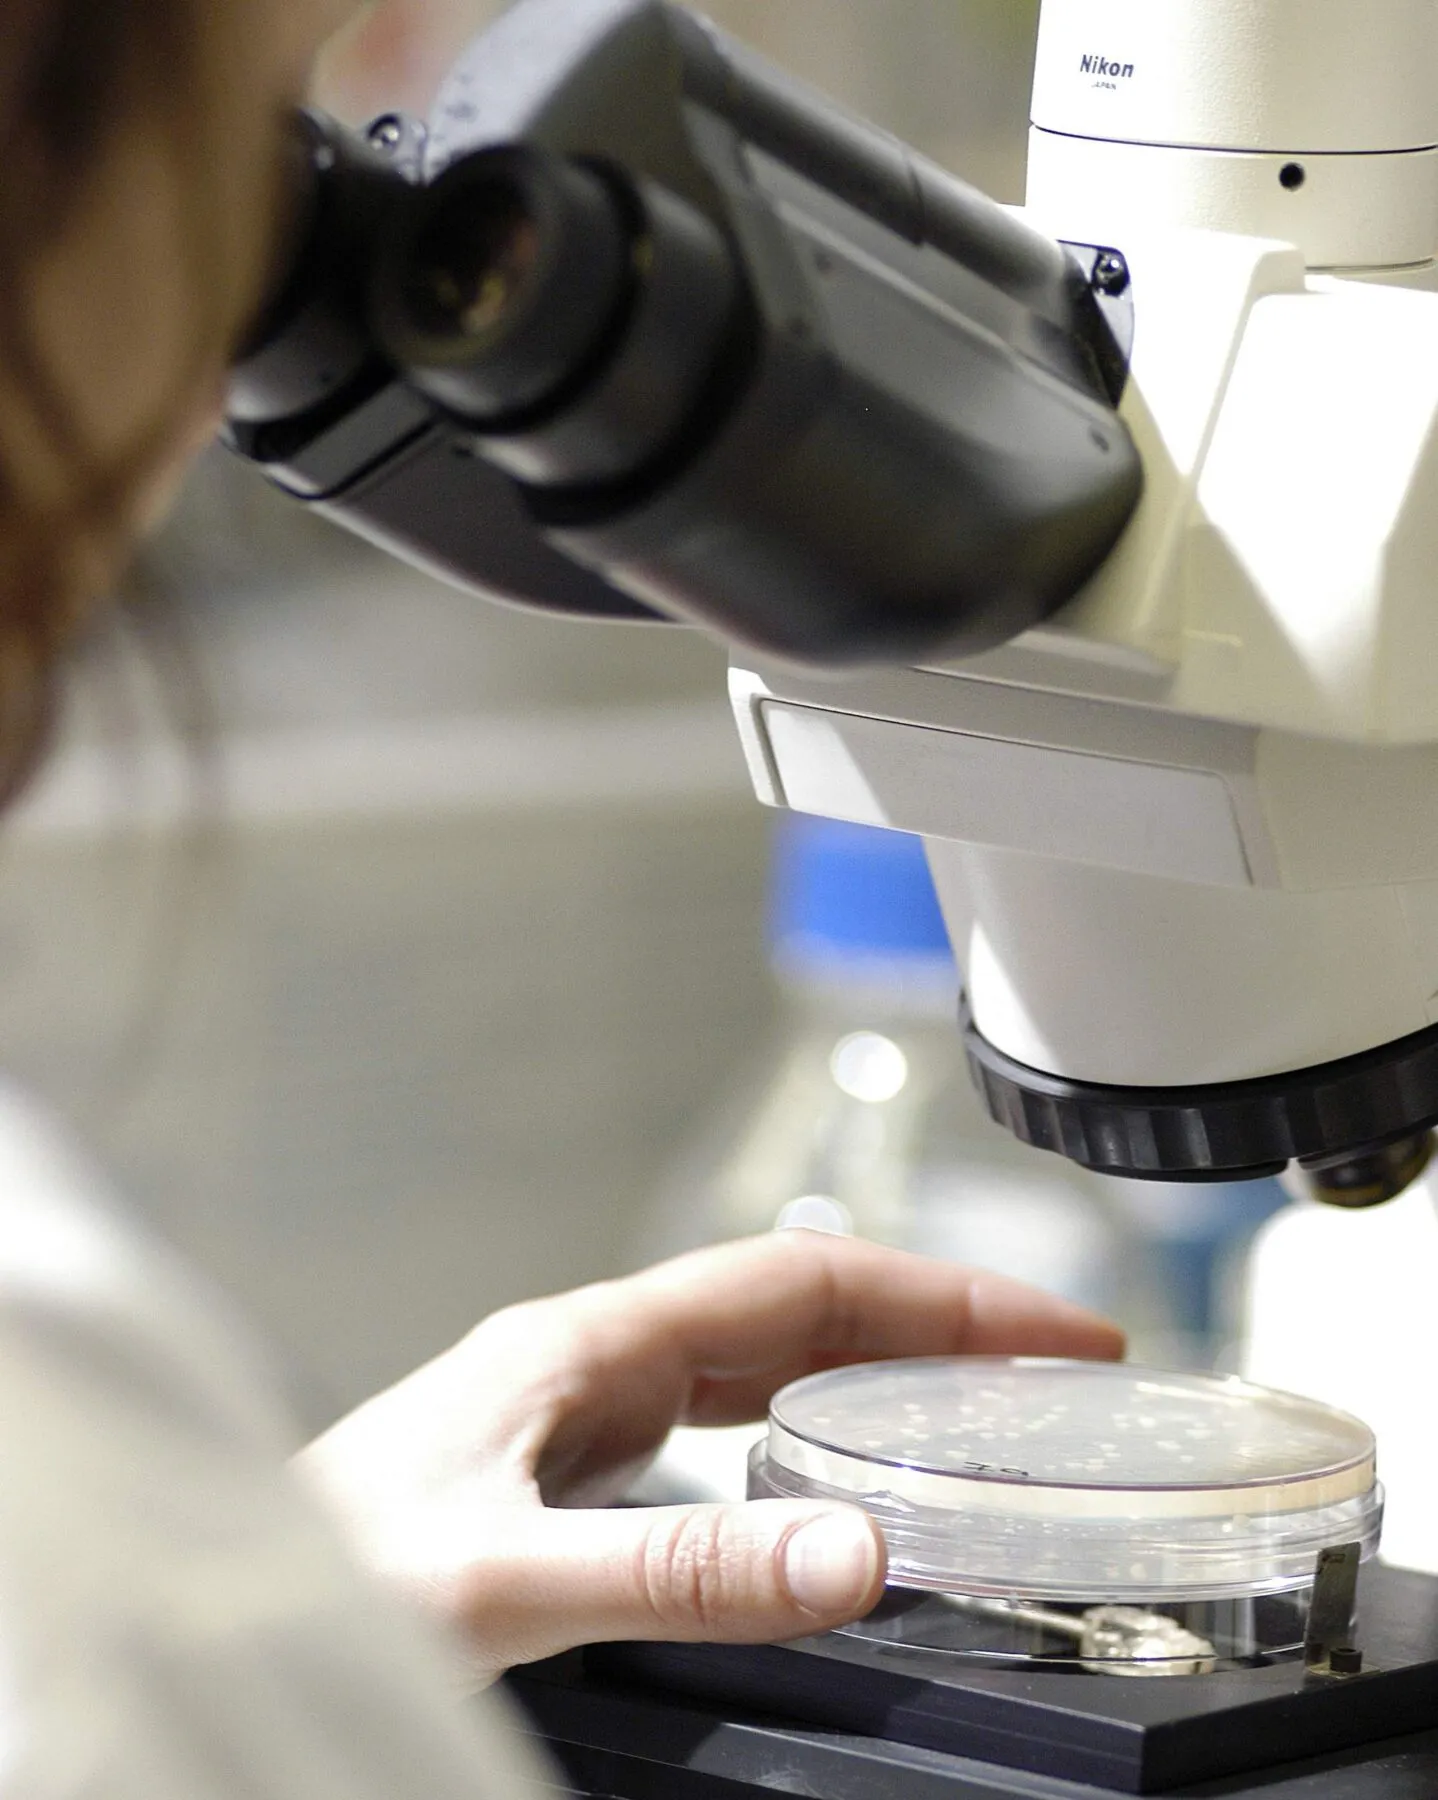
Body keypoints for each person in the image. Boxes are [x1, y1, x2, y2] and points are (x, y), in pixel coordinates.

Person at [0, 2, 1126, 1794]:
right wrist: (205, 1636)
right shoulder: (63, 1465)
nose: (263, 284)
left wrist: (288, 1607)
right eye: (263, 133)